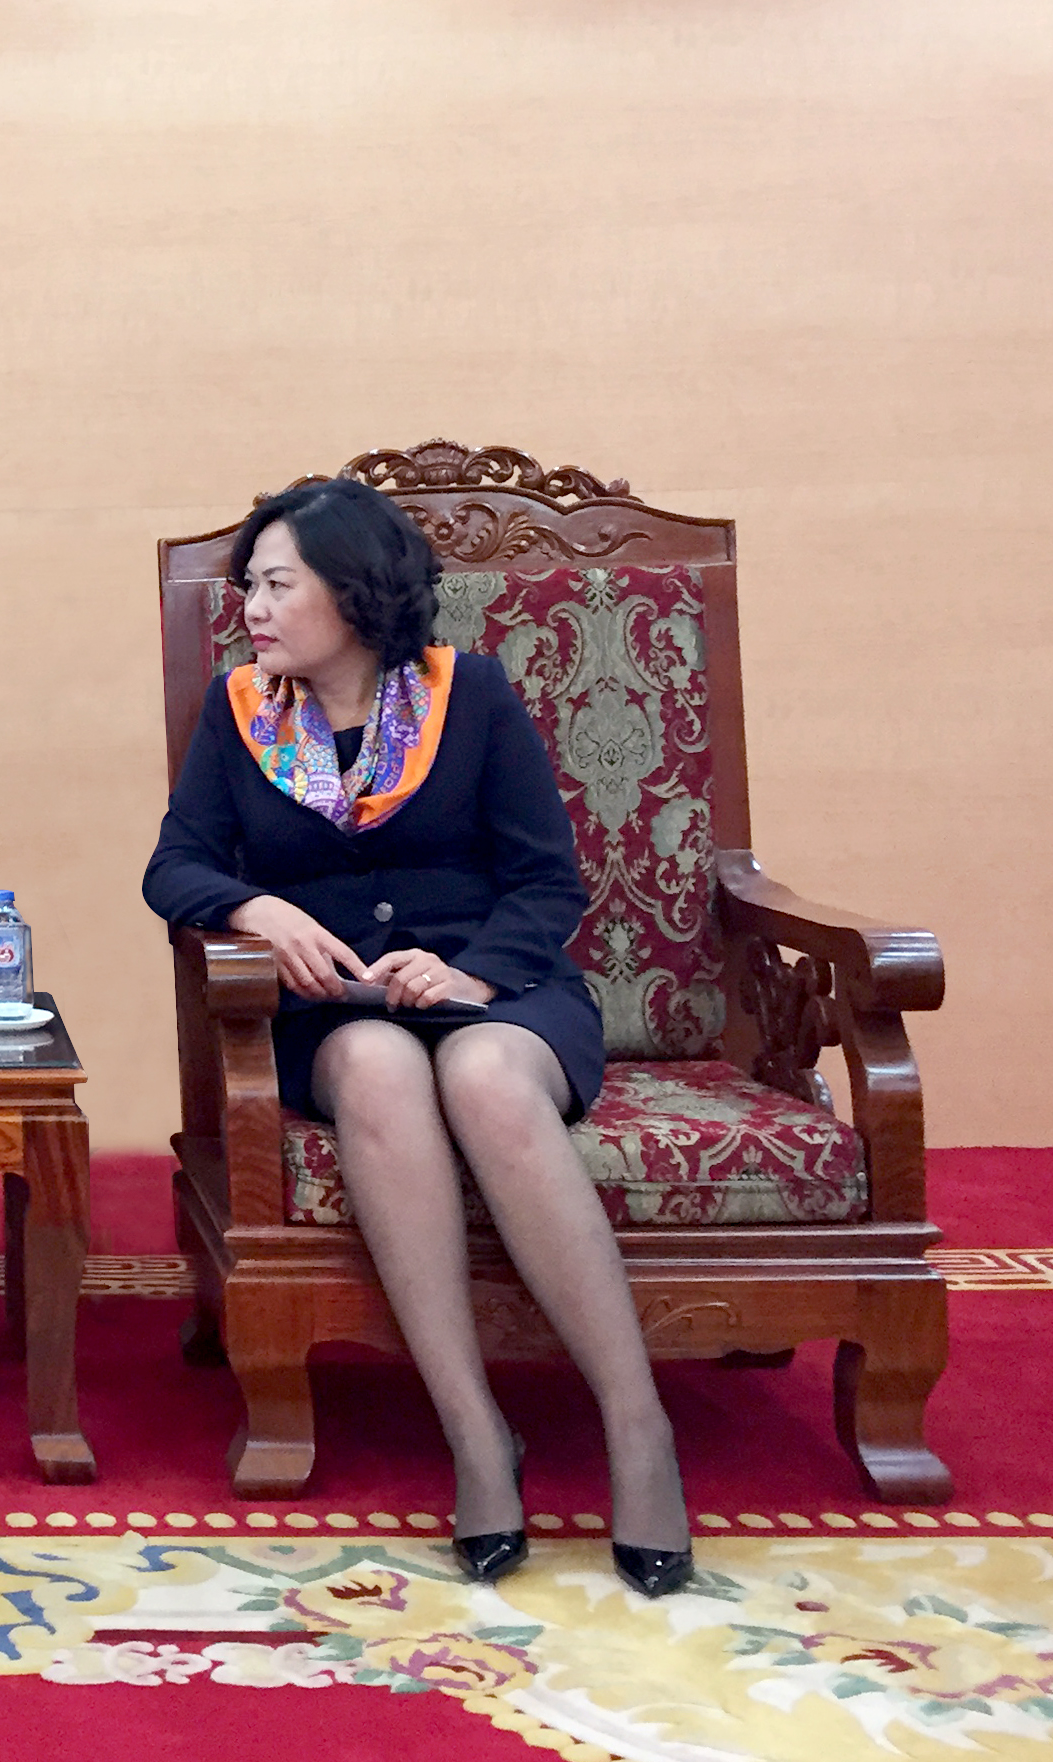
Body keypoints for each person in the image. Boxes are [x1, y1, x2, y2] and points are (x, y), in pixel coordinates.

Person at [141, 478, 692, 1598]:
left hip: (501, 988)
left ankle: (638, 1427)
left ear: (351, 592)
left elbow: (547, 879)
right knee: (379, 1068)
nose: (252, 607)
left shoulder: (467, 694)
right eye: (248, 585)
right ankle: (476, 1435)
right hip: (340, 1010)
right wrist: (256, 908)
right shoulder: (241, 713)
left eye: (276, 584)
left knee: (484, 1076)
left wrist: (473, 970)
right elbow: (173, 867)